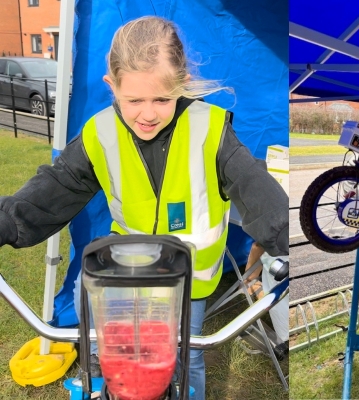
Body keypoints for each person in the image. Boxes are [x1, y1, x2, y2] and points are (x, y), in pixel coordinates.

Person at [0, 16, 288, 400]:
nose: (147, 113)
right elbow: (54, 188)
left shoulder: (211, 130)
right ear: (112, 86)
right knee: (119, 359)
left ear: (181, 85)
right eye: (134, 100)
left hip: (189, 283)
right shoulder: (99, 134)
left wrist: (286, 236)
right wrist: (6, 222)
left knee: (189, 360)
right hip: (125, 278)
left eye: (162, 99)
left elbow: (256, 189)